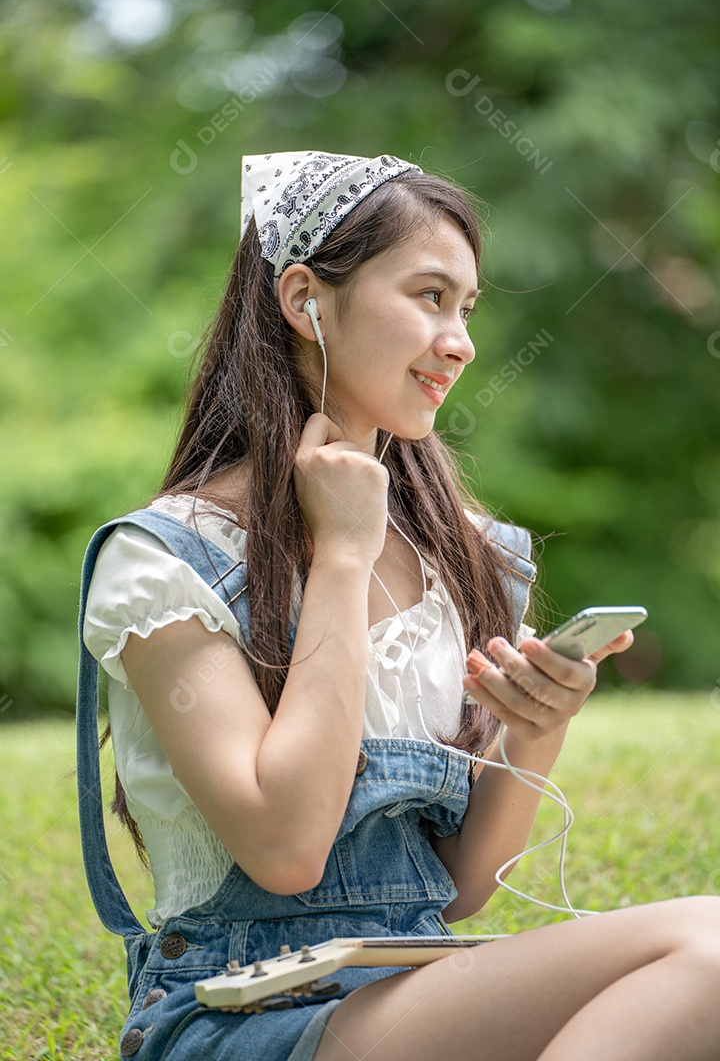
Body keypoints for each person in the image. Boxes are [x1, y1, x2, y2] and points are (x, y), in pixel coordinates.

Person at [77, 150, 720, 1061]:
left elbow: (457, 890)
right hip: (240, 1014)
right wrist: (340, 555)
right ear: (305, 302)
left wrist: (534, 727)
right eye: (428, 296)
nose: (459, 341)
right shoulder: (165, 559)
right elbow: (287, 850)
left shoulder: (469, 553)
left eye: (466, 308)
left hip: (410, 983)